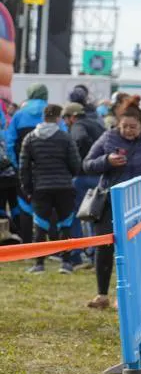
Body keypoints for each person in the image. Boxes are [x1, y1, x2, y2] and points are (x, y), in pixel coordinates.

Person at [82, 97, 141, 308]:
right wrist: (106, 161)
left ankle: (127, 295)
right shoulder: (108, 137)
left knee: (134, 251)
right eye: (124, 127)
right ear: (118, 124)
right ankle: (102, 295)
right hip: (109, 204)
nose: (128, 131)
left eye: (133, 127)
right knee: (104, 248)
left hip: (140, 205)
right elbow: (87, 164)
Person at [19, 104, 81, 274]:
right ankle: (66, 263)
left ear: (43, 117)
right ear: (58, 118)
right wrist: (67, 176)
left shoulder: (30, 138)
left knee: (40, 225)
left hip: (41, 188)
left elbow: (24, 167)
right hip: (64, 187)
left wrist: (28, 189)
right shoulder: (65, 138)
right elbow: (76, 164)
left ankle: (39, 264)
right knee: (65, 224)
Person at [62, 102, 106, 267]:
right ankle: (96, 254)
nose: (65, 123)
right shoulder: (97, 124)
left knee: (77, 215)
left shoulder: (77, 126)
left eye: (66, 119)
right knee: (96, 215)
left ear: (72, 117)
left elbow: (80, 139)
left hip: (83, 177)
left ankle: (77, 254)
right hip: (100, 176)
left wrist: (82, 160)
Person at [6, 83, 51, 238]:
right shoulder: (51, 114)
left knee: (25, 206)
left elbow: (9, 142)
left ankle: (26, 243)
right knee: (49, 206)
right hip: (49, 171)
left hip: (24, 169)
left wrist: (16, 164)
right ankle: (52, 245)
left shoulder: (18, 116)